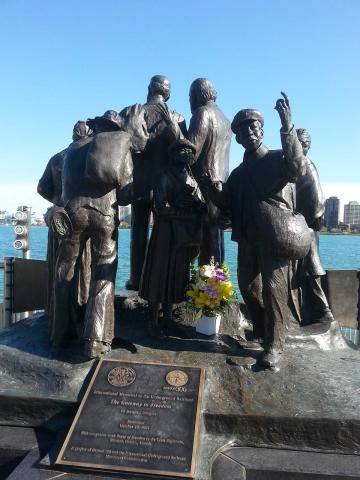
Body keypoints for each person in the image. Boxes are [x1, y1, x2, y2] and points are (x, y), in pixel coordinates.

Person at [212, 93, 308, 368]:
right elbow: (228, 204)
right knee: (247, 286)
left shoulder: (278, 160)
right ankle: (265, 332)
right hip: (249, 239)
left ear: (262, 131)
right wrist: (211, 189)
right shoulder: (239, 174)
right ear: (238, 138)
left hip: (275, 236)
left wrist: (287, 126)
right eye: (243, 130)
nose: (250, 132)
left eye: (254, 128)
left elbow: (297, 167)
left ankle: (275, 346)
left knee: (274, 291)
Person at [52, 106, 148, 358]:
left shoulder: (71, 150)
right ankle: (94, 341)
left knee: (65, 269)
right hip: (104, 216)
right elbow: (126, 195)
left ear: (95, 127)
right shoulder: (119, 145)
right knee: (103, 272)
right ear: (116, 130)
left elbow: (62, 189)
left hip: (73, 214)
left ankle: (60, 332)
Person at [139, 138, 207, 337]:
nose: (186, 153)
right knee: (158, 274)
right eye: (181, 150)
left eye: (190, 151)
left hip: (182, 235)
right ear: (172, 154)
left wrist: (196, 205)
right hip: (165, 233)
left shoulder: (192, 180)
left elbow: (202, 208)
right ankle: (152, 321)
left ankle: (168, 319)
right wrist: (180, 207)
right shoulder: (163, 175)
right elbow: (160, 208)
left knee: (176, 275)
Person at [126, 75, 187, 290]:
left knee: (138, 232)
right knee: (166, 237)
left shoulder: (132, 112)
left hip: (139, 183)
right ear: (168, 93)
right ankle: (162, 284)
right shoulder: (177, 117)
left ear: (149, 88)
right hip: (168, 188)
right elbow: (184, 150)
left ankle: (136, 280)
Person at [37, 121, 92, 329]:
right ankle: (80, 308)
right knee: (82, 265)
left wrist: (57, 201)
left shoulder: (57, 157)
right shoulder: (86, 155)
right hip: (80, 218)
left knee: (57, 266)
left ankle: (55, 312)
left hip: (58, 218)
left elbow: (42, 187)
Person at [187, 78, 232, 265]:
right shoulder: (225, 119)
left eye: (190, 96)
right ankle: (217, 285)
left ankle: (206, 288)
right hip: (221, 186)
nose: (189, 101)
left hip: (204, 186)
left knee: (205, 239)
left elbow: (191, 153)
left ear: (197, 95)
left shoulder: (202, 113)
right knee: (216, 238)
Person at [296, 128, 334, 323]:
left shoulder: (306, 166)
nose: (299, 145)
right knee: (300, 273)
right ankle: (306, 312)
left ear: (306, 146)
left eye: (303, 143)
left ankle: (324, 311)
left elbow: (318, 200)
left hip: (306, 229)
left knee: (311, 270)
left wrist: (306, 219)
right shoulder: (293, 165)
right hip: (297, 229)